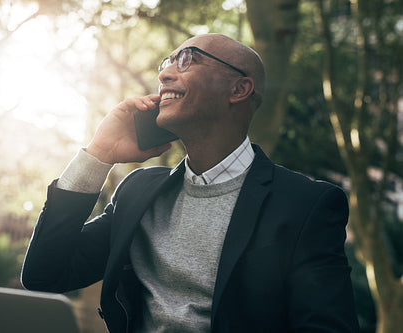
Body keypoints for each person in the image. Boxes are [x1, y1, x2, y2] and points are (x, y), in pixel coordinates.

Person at [21, 33, 359, 332]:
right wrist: (99, 153)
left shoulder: (305, 205)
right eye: (166, 62)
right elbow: (44, 275)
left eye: (186, 60)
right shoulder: (138, 192)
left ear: (239, 89)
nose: (164, 74)